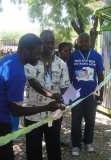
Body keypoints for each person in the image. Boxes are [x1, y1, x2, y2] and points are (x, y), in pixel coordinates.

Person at [0, 33, 64, 160]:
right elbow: (16, 111)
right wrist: (47, 107)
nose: (39, 57)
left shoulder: (11, 59)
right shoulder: (16, 72)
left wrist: (51, 95)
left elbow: (32, 81)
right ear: (25, 51)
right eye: (37, 53)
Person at [24, 30, 70, 160]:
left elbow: (65, 86)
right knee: (33, 150)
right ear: (40, 43)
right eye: (46, 42)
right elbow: (33, 83)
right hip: (33, 113)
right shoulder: (30, 62)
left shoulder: (61, 64)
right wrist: (52, 95)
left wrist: (65, 101)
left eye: (52, 42)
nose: (49, 45)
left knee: (54, 147)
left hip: (54, 114)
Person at [67, 33, 104, 156]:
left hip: (91, 95)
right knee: (76, 121)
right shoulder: (73, 56)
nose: (83, 44)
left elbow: (100, 76)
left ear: (90, 42)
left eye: (86, 41)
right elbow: (68, 78)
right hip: (76, 94)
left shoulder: (96, 56)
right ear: (78, 42)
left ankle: (88, 142)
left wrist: (101, 94)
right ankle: (76, 145)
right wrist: (68, 96)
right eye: (81, 41)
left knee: (90, 120)